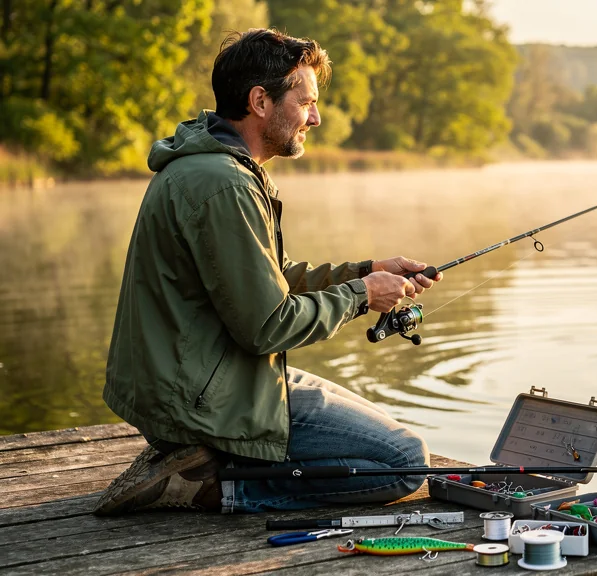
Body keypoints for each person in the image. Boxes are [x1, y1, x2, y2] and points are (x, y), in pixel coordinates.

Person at [93, 28, 441, 515]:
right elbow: (267, 325)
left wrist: (366, 270)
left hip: (202, 382)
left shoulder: (214, 167)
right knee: (405, 461)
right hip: (199, 399)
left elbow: (265, 278)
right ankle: (212, 486)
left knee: (387, 434)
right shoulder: (223, 184)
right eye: (306, 102)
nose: (315, 118)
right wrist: (363, 294)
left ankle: (201, 457)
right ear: (260, 101)